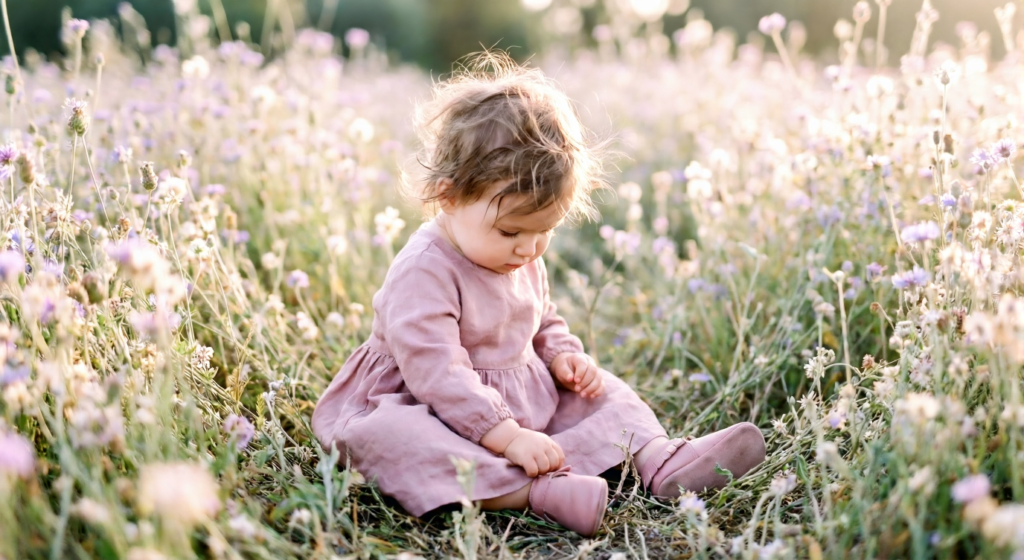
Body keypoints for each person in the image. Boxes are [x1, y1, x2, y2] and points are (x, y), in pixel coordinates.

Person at [311, 53, 766, 537]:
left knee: (603, 393)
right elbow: (436, 373)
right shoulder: (423, 270)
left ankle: (658, 458)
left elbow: (539, 314)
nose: (528, 248)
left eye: (544, 230)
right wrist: (505, 436)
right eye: (511, 231)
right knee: (396, 441)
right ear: (448, 196)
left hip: (520, 396)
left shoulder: (518, 251)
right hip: (427, 401)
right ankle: (534, 492)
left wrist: (563, 354)